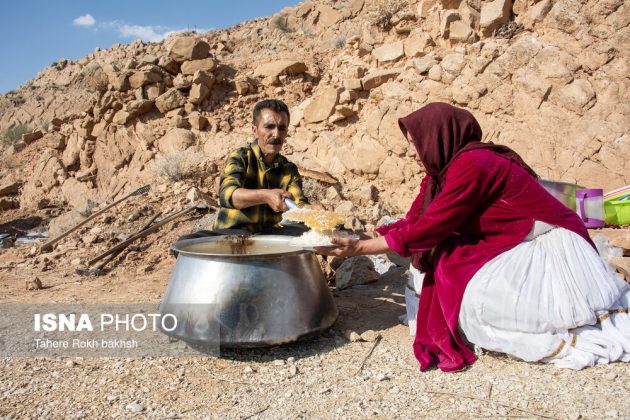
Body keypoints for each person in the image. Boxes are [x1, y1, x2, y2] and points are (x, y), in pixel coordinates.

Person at [317, 102, 630, 372]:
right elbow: (415, 220)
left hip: (544, 247)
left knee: (473, 293)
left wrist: (360, 248)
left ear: (436, 136)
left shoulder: (474, 165)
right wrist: (366, 236)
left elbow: (432, 227)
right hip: (510, 241)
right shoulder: (439, 175)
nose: (411, 152)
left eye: (415, 142)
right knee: (438, 267)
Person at [211, 98, 319, 235]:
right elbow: (229, 195)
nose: (276, 134)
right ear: (254, 130)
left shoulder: (288, 169)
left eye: (282, 128)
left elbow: (298, 204)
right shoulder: (240, 158)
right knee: (188, 242)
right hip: (231, 235)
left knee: (310, 232)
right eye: (269, 127)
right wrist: (265, 196)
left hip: (266, 237)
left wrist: (313, 210)